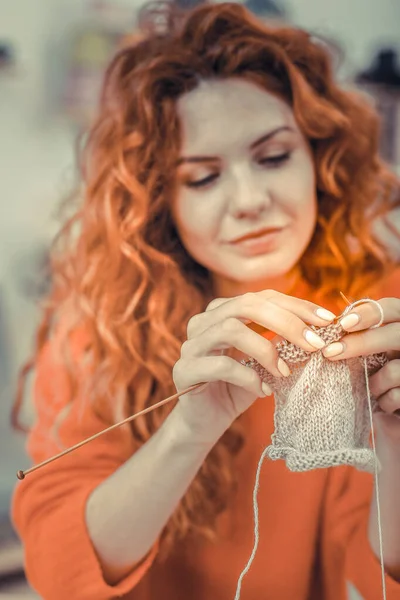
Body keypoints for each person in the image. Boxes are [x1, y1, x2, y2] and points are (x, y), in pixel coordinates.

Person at [11, 3, 400, 599]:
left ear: (318, 161)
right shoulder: (101, 328)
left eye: (273, 157)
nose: (249, 201)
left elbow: (376, 577)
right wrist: (189, 429)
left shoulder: (382, 309)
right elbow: (63, 573)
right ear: (160, 201)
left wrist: (396, 449)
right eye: (203, 177)